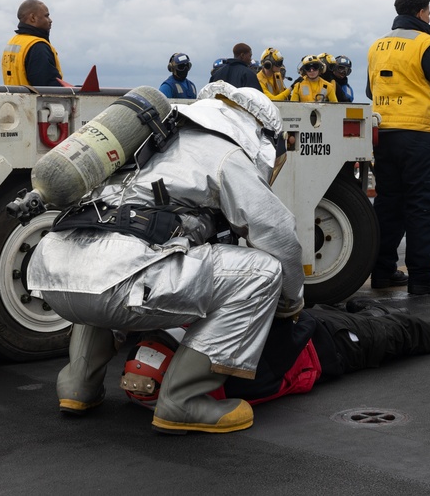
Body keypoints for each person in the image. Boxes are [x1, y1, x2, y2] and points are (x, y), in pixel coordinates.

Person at [27, 81, 304, 435]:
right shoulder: (225, 151)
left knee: (109, 258)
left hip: (54, 273)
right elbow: (277, 232)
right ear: (261, 132)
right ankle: (183, 401)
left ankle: (77, 385)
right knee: (264, 272)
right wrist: (291, 301)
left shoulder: (147, 139)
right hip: (121, 283)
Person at [122, 300, 430, 408]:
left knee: (369, 320)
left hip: (322, 330)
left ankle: (371, 311)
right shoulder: (239, 380)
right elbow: (295, 329)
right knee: (411, 334)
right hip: (333, 345)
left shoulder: (189, 365)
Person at [366, 0, 430, 295]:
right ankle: (422, 276)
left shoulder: (378, 46)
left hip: (383, 135)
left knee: (389, 204)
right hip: (421, 135)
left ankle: (382, 270)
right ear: (420, 13)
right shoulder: (428, 44)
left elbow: (369, 90)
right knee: (425, 204)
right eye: (429, 12)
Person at [1, 0, 73, 87]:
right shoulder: (38, 46)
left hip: (14, 99)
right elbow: (48, 86)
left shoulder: (14, 41)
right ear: (33, 18)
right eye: (46, 16)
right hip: (33, 100)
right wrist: (77, 90)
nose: (50, 20)